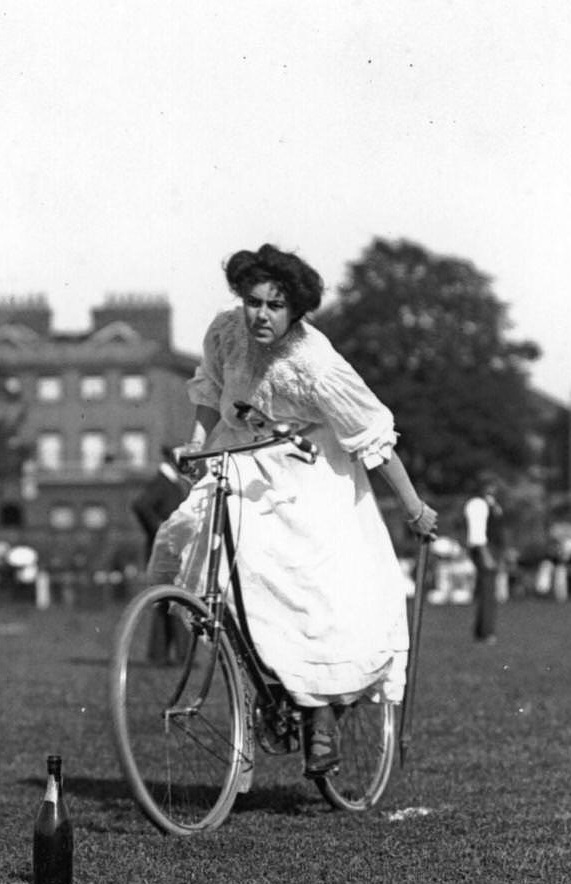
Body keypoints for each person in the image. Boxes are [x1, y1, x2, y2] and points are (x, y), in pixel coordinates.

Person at [148, 244, 438, 776]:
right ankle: (256, 681)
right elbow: (209, 392)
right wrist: (196, 443)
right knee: (203, 545)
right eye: (252, 302)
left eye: (274, 306)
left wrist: (416, 509)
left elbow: (375, 439)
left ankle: (321, 715)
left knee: (305, 588)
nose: (260, 315)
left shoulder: (317, 365)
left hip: (310, 473)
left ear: (295, 311)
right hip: (239, 457)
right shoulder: (226, 332)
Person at [131, 447, 191, 664]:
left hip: (170, 548)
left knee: (166, 602)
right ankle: (176, 656)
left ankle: (163, 655)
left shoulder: (171, 482)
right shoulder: (164, 482)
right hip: (167, 549)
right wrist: (159, 530)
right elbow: (140, 505)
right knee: (175, 602)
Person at [463, 475, 502, 643]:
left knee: (488, 590)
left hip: (490, 549)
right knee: (487, 591)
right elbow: (477, 533)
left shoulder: (491, 504)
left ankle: (482, 629)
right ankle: (486, 632)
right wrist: (486, 555)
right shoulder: (477, 504)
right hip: (484, 549)